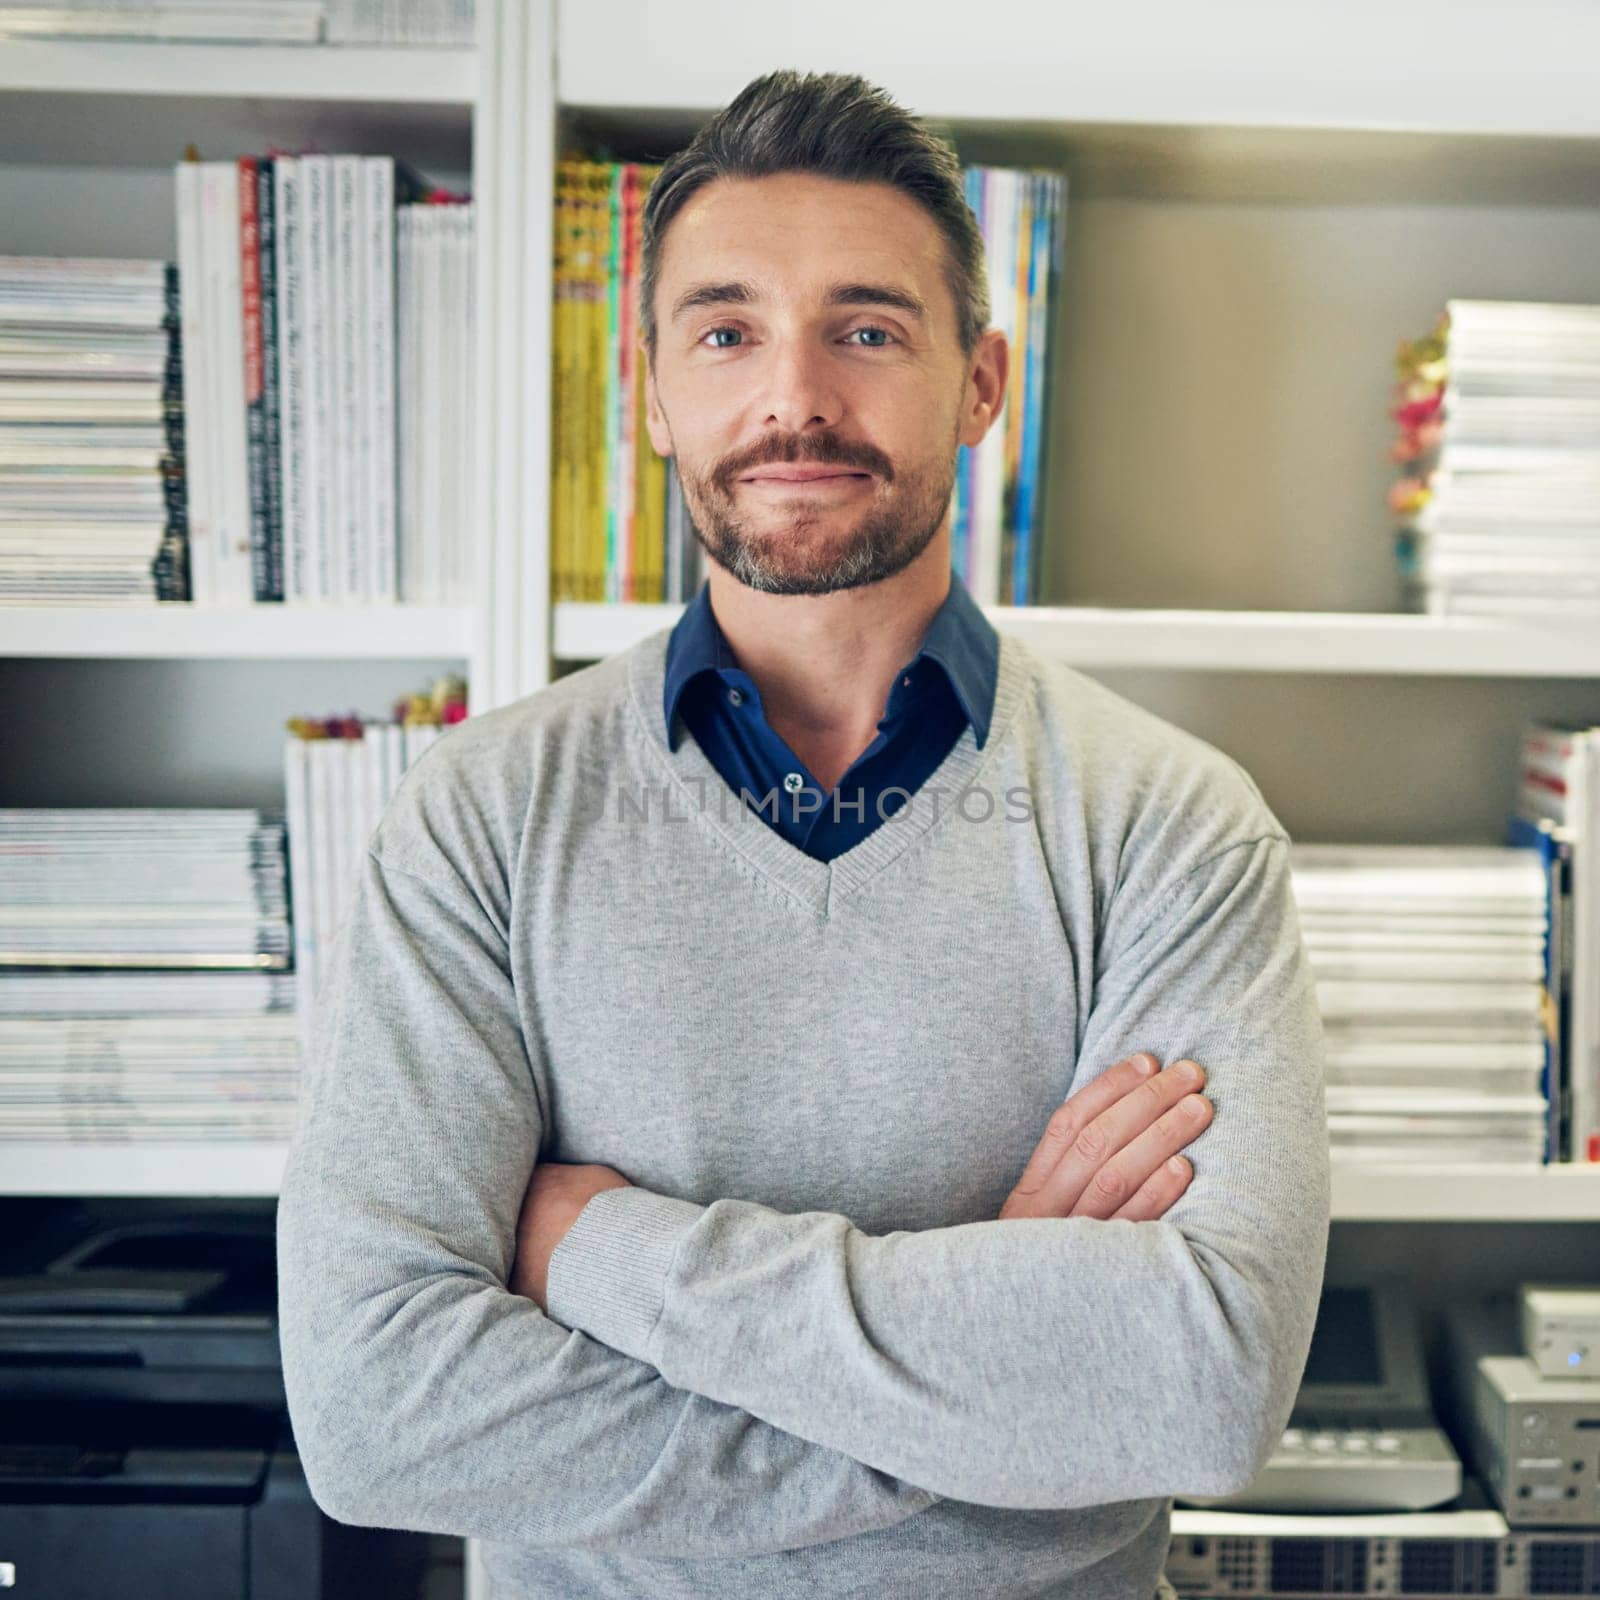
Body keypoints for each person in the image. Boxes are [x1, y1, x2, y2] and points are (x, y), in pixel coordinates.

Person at [275, 68, 1330, 1600]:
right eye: (726, 332)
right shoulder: (481, 816)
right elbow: (379, 1412)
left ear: (980, 384)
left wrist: (597, 1252)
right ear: (649, 392)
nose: (795, 399)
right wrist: (996, 1398)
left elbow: (1199, 1388)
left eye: (867, 329)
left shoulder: (1173, 827)